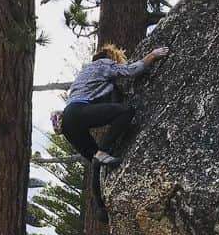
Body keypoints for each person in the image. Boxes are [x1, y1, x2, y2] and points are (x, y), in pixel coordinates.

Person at [57, 43, 170, 219]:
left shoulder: (83, 74)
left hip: (68, 122)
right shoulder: (104, 64)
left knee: (97, 161)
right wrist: (152, 55)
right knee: (126, 111)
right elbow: (131, 71)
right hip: (80, 112)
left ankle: (99, 206)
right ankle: (102, 152)